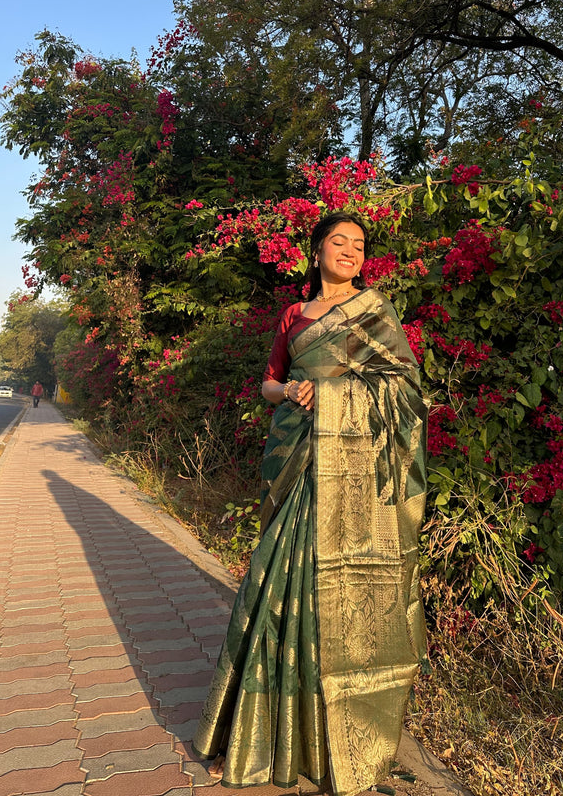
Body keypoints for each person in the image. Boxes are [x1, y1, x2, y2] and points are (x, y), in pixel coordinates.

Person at [192, 212, 429, 796]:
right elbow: (269, 382)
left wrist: (329, 391)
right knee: (273, 593)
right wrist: (292, 390)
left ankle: (337, 750)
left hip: (352, 479)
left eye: (360, 244)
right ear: (316, 250)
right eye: (339, 241)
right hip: (298, 463)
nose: (350, 251)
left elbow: (405, 387)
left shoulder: (375, 312)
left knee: (344, 604)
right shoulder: (295, 315)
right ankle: (258, 738)